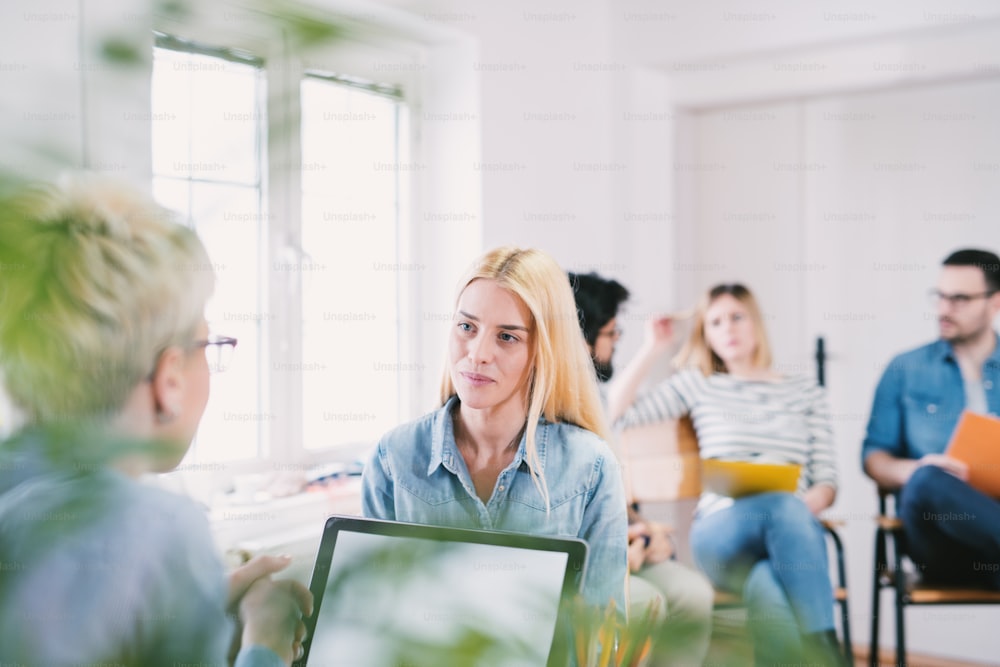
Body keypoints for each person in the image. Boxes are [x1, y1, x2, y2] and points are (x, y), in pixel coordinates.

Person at [0, 176, 311, 666]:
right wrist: (265, 643)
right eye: (208, 345)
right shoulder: (164, 532)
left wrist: (192, 602)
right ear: (169, 378)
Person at [361, 247, 628, 611]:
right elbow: (373, 610)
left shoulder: (591, 466)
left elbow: (603, 624)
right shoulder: (394, 456)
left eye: (507, 337)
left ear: (542, 352)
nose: (477, 353)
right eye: (467, 327)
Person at [611, 283, 845, 666]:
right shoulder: (700, 382)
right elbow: (617, 412)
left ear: (756, 322)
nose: (728, 329)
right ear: (706, 334)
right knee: (782, 509)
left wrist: (806, 506)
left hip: (788, 530)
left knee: (768, 583)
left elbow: (827, 479)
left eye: (736, 317)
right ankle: (827, 650)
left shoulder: (805, 391)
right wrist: (652, 347)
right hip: (722, 533)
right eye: (715, 322)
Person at [568, 271, 714, 667]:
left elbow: (615, 498)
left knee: (693, 593)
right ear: (582, 339)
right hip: (588, 558)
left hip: (624, 545)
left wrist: (645, 532)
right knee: (650, 602)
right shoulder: (552, 413)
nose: (616, 342)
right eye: (612, 334)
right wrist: (626, 546)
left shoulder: (594, 399)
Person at [863, 248, 1000, 589]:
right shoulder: (905, 369)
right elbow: (873, 458)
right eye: (939, 296)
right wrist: (919, 468)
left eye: (959, 299)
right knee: (927, 479)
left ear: (995, 302)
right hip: (940, 544)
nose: (943, 309)